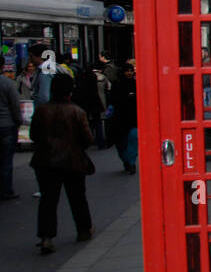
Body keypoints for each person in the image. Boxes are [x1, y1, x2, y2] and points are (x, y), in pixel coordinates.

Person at [29, 72, 95, 254]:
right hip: (72, 161)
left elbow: (33, 135)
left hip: (45, 161)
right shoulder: (77, 111)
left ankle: (46, 237)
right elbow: (88, 139)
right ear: (70, 91)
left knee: (48, 200)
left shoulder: (42, 110)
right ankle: (83, 229)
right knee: (77, 197)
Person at [107, 59, 138, 174]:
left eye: (131, 71)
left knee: (133, 140)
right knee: (120, 144)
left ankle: (131, 162)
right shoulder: (117, 85)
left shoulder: (136, 84)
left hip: (133, 119)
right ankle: (126, 161)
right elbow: (112, 100)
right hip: (119, 119)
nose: (129, 73)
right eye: (127, 71)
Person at [0, 67, 19, 200]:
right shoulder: (7, 83)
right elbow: (15, 104)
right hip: (6, 124)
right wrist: (18, 121)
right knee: (6, 159)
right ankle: (6, 189)